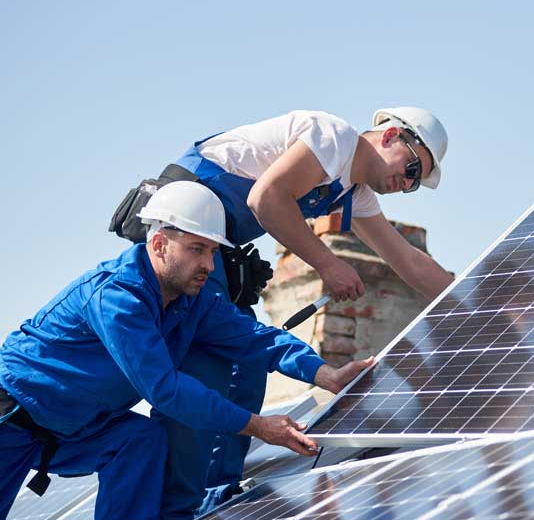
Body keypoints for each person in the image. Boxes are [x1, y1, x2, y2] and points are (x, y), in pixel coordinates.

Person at [111, 107, 455, 515]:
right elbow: (266, 199)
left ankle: (217, 496)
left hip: (219, 248)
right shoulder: (334, 138)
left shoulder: (353, 192)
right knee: (207, 369)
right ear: (391, 135)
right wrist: (328, 263)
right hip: (187, 237)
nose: (407, 183)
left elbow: (409, 262)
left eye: (415, 183)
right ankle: (176, 505)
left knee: (248, 371)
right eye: (413, 168)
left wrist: (477, 303)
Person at [0, 182, 371, 520]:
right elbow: (166, 390)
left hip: (74, 429)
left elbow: (257, 337)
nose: (209, 265)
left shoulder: (191, 302)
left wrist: (326, 374)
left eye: (212, 251)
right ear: (159, 244)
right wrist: (257, 426)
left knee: (139, 440)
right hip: (13, 419)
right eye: (197, 249)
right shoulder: (116, 298)